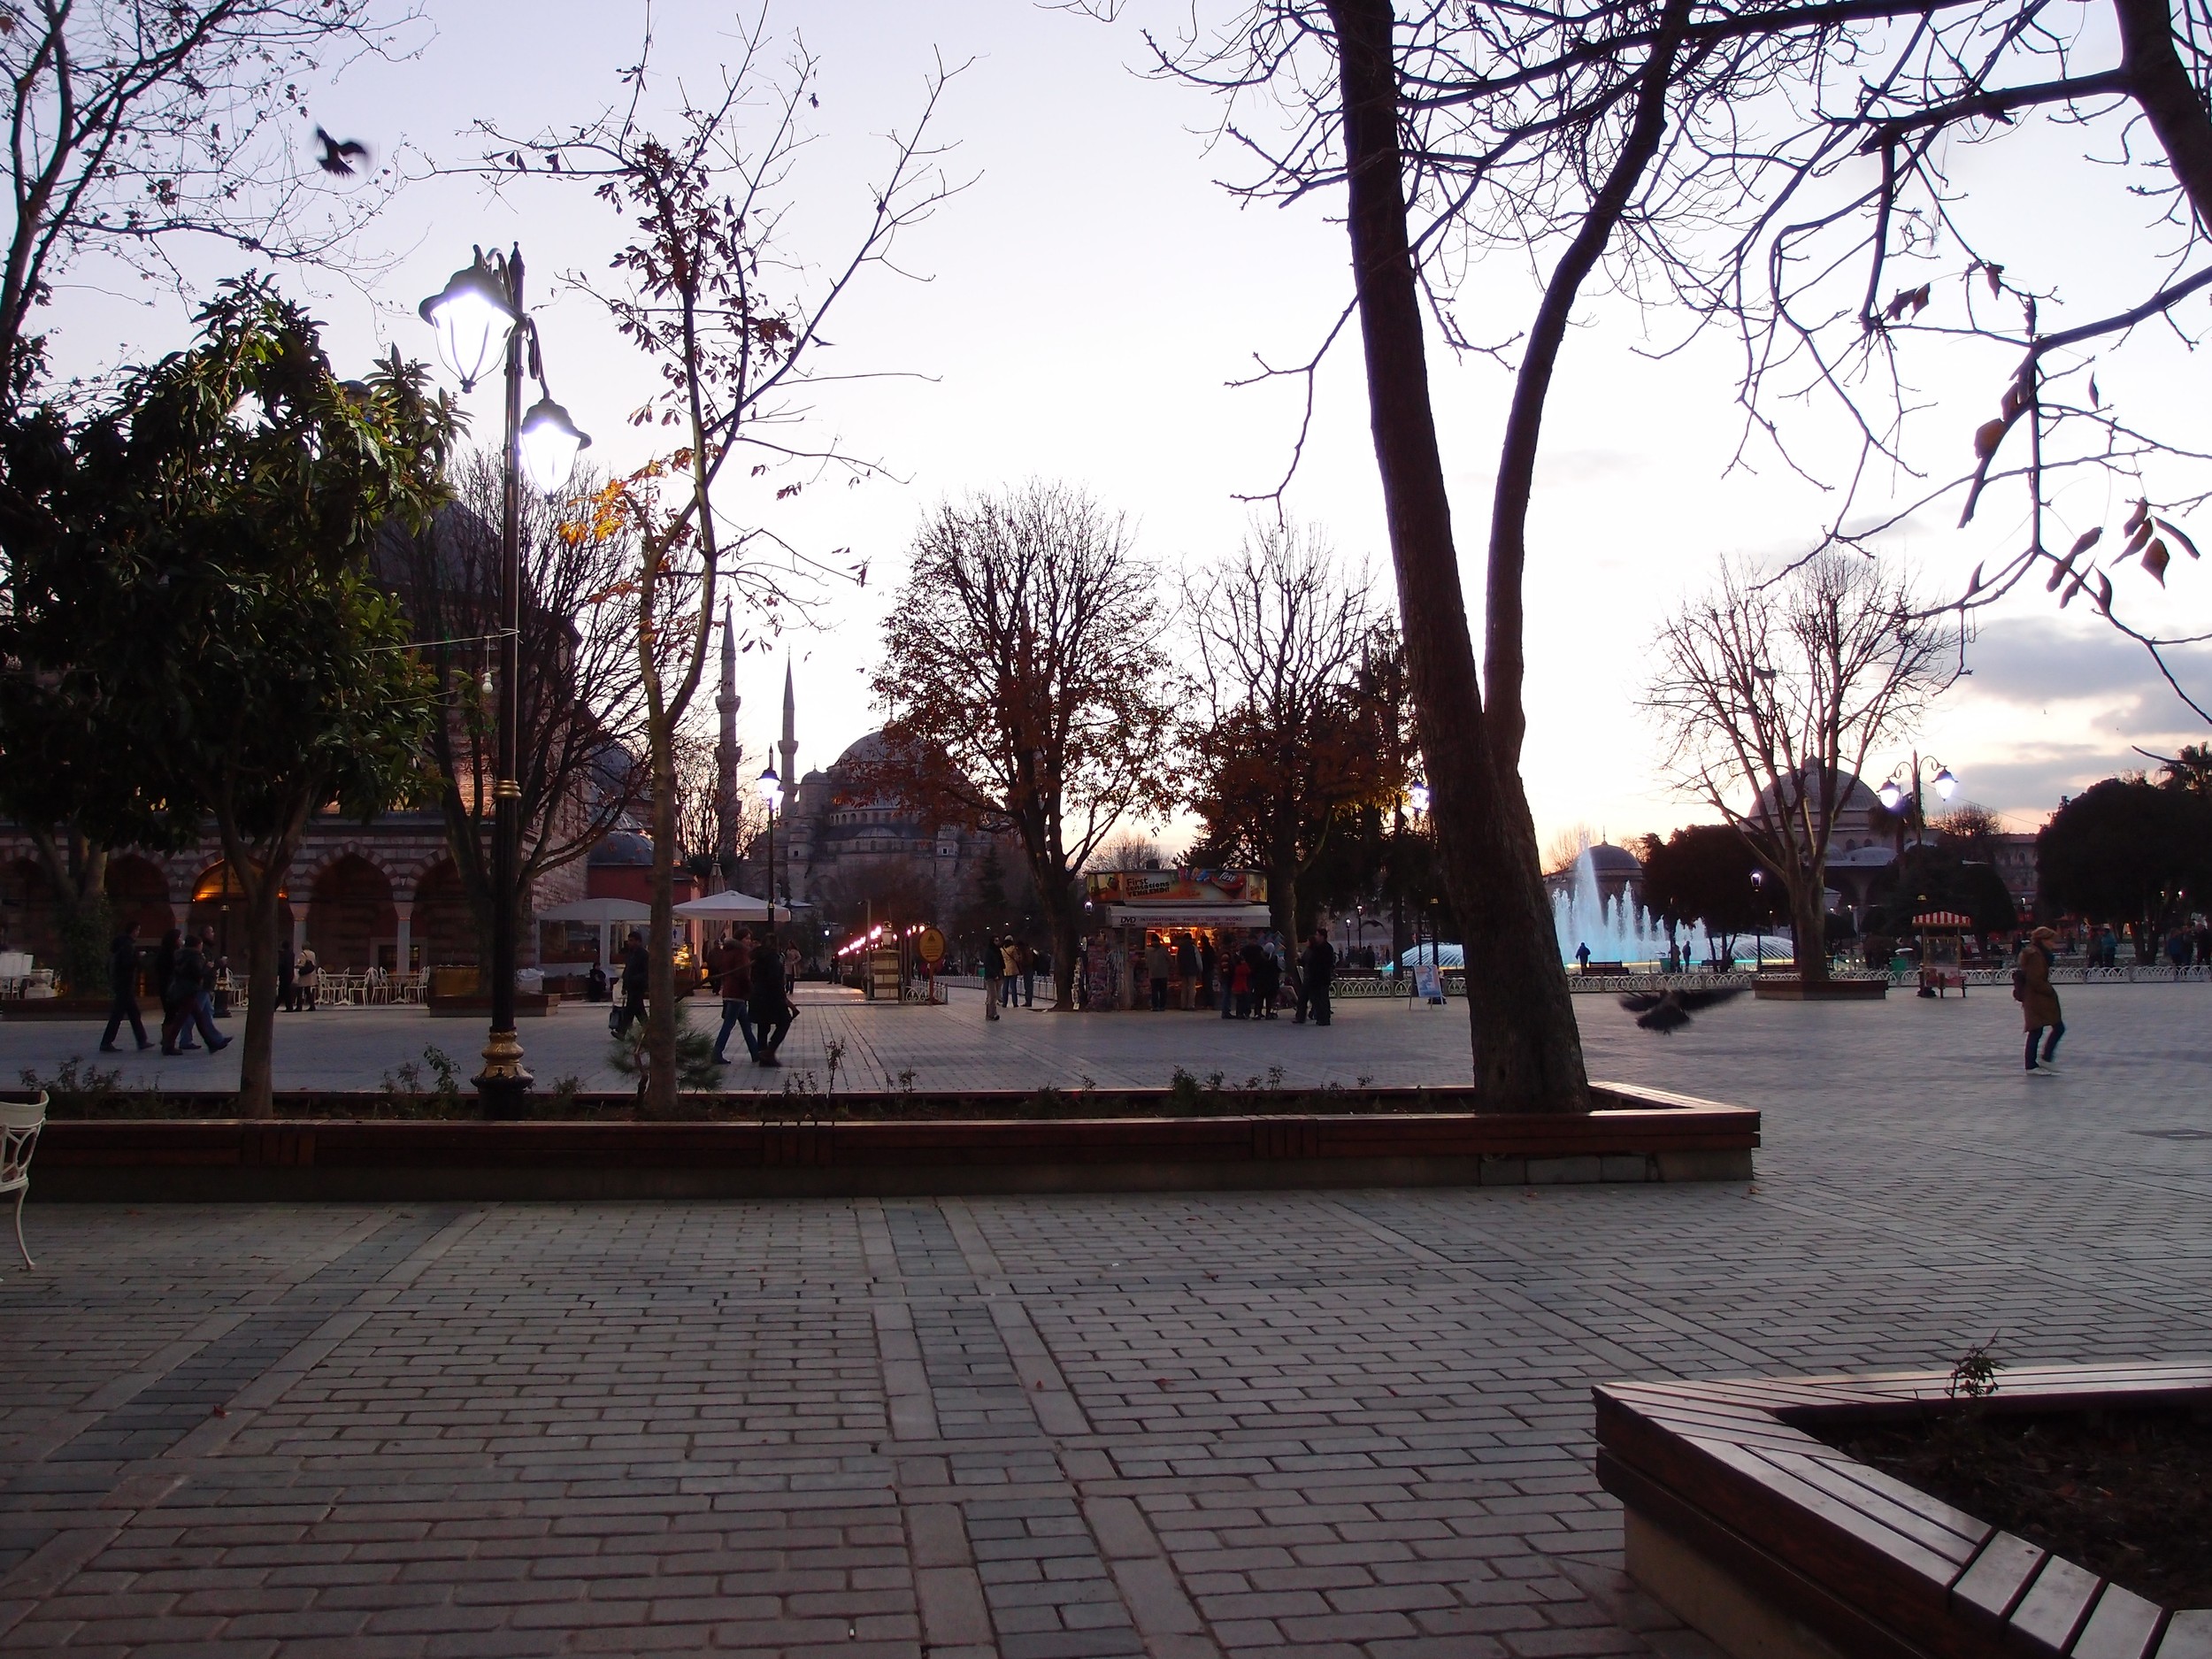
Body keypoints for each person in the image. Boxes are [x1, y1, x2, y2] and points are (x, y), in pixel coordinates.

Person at [2016, 925, 2064, 1075]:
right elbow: (2035, 979)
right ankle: (2035, 1063)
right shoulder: (2036, 956)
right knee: (2040, 1029)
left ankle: (2041, 1060)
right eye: (2051, 940)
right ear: (2043, 940)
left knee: (2040, 1029)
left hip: (2038, 998)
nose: (2053, 944)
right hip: (2037, 998)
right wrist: (2049, 990)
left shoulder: (2039, 954)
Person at [99, 920, 150, 1052]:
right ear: (133, 931)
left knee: (133, 1013)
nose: (138, 933)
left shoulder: (120, 945)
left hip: (122, 984)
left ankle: (141, 1040)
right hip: (125, 984)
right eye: (138, 930)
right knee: (119, 1015)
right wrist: (138, 957)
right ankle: (107, 1042)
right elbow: (128, 964)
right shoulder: (127, 946)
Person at [710, 929, 755, 1064]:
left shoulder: (727, 952)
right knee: (729, 1024)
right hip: (738, 993)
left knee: (746, 1026)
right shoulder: (741, 953)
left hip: (730, 991)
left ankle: (755, 1052)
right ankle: (717, 1052)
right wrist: (751, 990)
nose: (749, 941)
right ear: (740, 940)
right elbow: (743, 975)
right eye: (747, 938)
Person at [749, 936, 792, 1063]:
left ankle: (762, 1053)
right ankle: (770, 1051)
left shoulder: (757, 957)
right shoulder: (772, 958)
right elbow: (774, 979)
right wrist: (783, 998)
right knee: (785, 1021)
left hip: (758, 996)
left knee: (763, 1025)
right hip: (772, 998)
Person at [1298, 926, 1337, 1027]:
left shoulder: (1327, 948)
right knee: (1316, 998)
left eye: (1318, 935)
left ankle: (1325, 1018)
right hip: (1315, 977)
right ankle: (1320, 1017)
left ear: (1322, 936)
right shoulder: (1316, 948)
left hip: (1322, 977)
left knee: (1323, 998)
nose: (1316, 937)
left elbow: (1326, 963)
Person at [616, 930, 649, 1036]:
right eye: (629, 940)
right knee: (638, 1010)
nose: (629, 943)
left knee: (630, 1010)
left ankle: (622, 1032)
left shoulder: (644, 955)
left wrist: (635, 979)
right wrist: (624, 985)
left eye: (632, 940)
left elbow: (647, 972)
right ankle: (648, 1029)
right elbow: (627, 970)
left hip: (638, 986)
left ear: (638, 942)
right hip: (631, 986)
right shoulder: (630, 954)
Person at [1254, 936, 1282, 1019]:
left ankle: (1258, 1013)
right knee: (1269, 999)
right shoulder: (1274, 959)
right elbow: (1278, 969)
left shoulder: (1259, 958)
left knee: (1259, 998)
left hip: (1260, 981)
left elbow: (1255, 969)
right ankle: (1268, 1013)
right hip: (1271, 982)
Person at [1146, 935, 1171, 1011]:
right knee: (1163, 990)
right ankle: (1162, 1005)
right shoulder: (1163, 949)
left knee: (1154, 990)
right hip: (1163, 973)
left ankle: (1155, 1006)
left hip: (1153, 973)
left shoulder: (1148, 950)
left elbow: (1146, 962)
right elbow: (1170, 959)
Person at [982, 933, 1004, 1020]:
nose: (997, 942)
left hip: (998, 975)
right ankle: (992, 1013)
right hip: (991, 976)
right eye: (996, 940)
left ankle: (991, 1013)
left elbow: (1001, 963)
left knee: (995, 996)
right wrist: (994, 974)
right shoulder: (989, 952)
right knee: (993, 995)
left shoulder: (998, 951)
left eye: (998, 940)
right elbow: (988, 965)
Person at [1175, 933, 1199, 1010]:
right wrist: (1200, 968)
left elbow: (1177, 958)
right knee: (1192, 988)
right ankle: (1191, 1005)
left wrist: (1178, 967)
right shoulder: (1193, 947)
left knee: (1184, 988)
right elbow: (1198, 959)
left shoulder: (1180, 948)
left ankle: (1183, 1005)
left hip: (1183, 970)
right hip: (1192, 970)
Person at [1230, 952, 1254, 1019]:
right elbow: (1248, 971)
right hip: (1242, 987)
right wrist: (1245, 964)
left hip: (1237, 987)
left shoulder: (1236, 968)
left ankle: (1239, 1013)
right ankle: (1243, 1013)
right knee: (1243, 1001)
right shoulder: (1242, 967)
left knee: (1239, 1001)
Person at [296, 947, 319, 1011]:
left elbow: (302, 964)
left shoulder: (302, 954)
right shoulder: (312, 953)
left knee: (300, 991)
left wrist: (297, 966)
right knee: (308, 991)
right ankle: (312, 1005)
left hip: (304, 975)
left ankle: (299, 1006)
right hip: (310, 974)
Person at [278, 941, 297, 1012]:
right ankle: (289, 1007)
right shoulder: (291, 954)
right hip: (290, 974)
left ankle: (276, 1006)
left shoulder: (283, 955)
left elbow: (282, 965)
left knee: (282, 991)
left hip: (284, 975)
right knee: (286, 992)